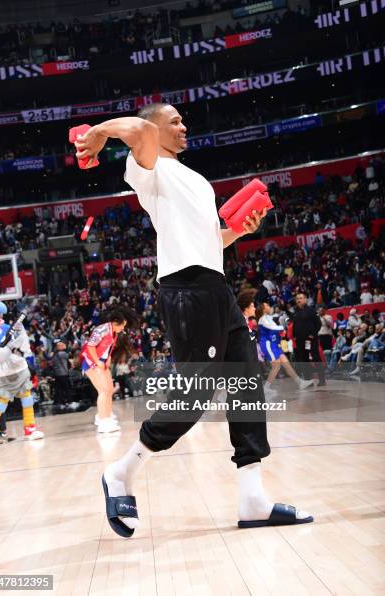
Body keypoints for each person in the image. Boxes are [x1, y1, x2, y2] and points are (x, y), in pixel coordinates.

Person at [75, 102, 312, 537]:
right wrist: (101, 133)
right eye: (175, 121)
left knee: (246, 385)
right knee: (197, 392)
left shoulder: (196, 180)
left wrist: (240, 231)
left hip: (216, 287)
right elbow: (137, 130)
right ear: (155, 128)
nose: (185, 126)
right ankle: (121, 472)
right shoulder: (148, 167)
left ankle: (252, 497)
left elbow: (209, 240)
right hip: (186, 289)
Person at [0, 300, 44, 446]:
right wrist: (7, 349)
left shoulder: (9, 329)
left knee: (27, 398)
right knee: (1, 403)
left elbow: (25, 347)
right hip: (2, 376)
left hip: (20, 370)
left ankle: (30, 428)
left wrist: (21, 333)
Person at [81, 305, 137, 434]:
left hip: (102, 363)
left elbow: (107, 349)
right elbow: (90, 346)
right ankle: (103, 422)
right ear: (115, 322)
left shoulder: (113, 332)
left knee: (109, 390)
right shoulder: (101, 330)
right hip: (91, 363)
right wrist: (97, 362)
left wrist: (107, 360)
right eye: (122, 325)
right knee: (103, 391)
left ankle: (105, 415)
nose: (123, 328)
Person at [256, 302, 313, 393]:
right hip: (268, 345)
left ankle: (300, 383)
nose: (270, 306)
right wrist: (282, 328)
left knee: (287, 364)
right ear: (263, 309)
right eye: (267, 305)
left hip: (274, 345)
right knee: (276, 366)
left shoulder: (268, 318)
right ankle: (266, 388)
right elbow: (271, 328)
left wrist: (280, 334)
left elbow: (274, 331)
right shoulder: (262, 319)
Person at [292, 292, 326, 386]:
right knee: (304, 360)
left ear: (305, 299)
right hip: (300, 340)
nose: (299, 300)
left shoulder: (311, 310)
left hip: (311, 339)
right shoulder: (295, 312)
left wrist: (313, 334)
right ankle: (308, 381)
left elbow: (318, 324)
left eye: (301, 298)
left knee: (316, 358)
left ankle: (322, 380)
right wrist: (294, 335)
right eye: (297, 298)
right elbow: (294, 325)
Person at [51, 341, 73, 409]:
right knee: (67, 388)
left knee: (60, 389)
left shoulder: (54, 355)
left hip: (57, 374)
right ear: (59, 347)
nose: (64, 346)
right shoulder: (63, 353)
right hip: (63, 374)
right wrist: (67, 348)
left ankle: (62, 402)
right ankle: (69, 401)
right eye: (63, 345)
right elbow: (70, 355)